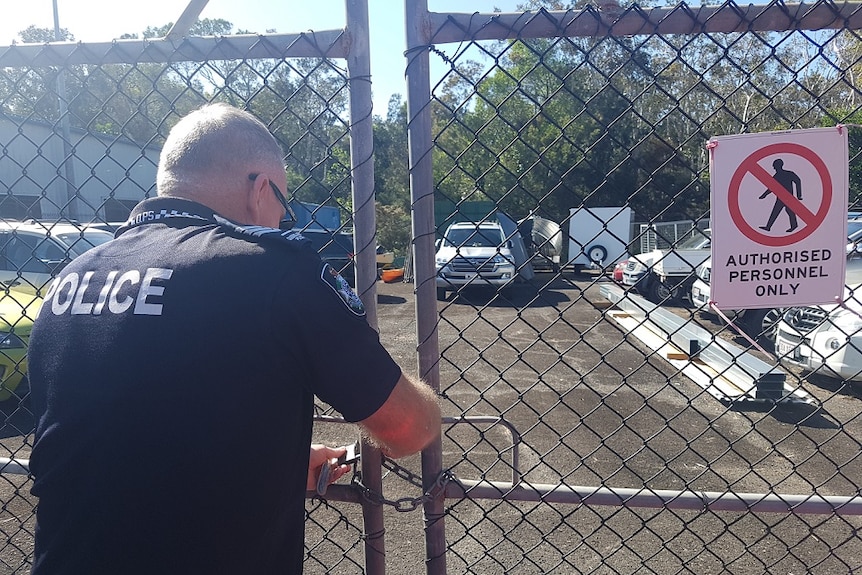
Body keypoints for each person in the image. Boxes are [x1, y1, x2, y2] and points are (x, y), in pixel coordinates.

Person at [27, 103, 441, 574]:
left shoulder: (74, 278)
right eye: (282, 206)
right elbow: (410, 428)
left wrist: (276, 462)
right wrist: (432, 406)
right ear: (260, 188)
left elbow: (121, 428)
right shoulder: (273, 271)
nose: (280, 223)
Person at [758, 158, 803, 233]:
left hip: (787, 197)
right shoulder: (777, 176)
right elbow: (771, 187)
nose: (773, 167)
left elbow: (798, 181)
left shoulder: (787, 174)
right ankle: (769, 227)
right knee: (784, 211)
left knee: (781, 211)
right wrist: (764, 195)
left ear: (778, 166)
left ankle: (769, 227)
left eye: (774, 166)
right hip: (782, 197)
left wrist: (799, 195)